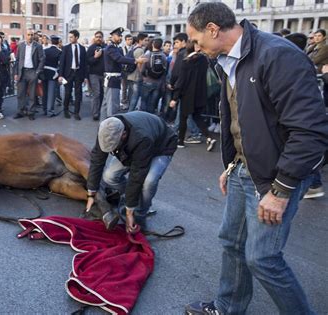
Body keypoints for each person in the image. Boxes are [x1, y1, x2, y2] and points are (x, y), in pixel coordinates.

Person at [183, 3, 328, 315]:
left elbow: (309, 130)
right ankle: (227, 307)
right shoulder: (225, 59)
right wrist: (233, 163)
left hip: (275, 178)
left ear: (212, 29)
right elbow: (243, 120)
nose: (194, 48)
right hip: (243, 170)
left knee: (262, 258)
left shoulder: (278, 55)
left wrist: (281, 190)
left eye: (196, 40)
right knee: (231, 244)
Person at [86, 111, 178, 231]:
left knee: (148, 182)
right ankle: (133, 200)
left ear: (123, 135)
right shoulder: (106, 128)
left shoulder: (142, 138)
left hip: (161, 146)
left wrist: (130, 213)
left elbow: (136, 175)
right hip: (133, 145)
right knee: (109, 176)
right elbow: (97, 160)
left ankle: (140, 213)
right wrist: (91, 193)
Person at [169, 41, 217, 151]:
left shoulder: (186, 61)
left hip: (187, 95)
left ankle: (180, 141)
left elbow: (181, 81)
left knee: (183, 118)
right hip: (200, 94)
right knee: (197, 116)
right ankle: (209, 137)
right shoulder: (204, 60)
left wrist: (175, 98)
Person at [101, 27, 146, 121]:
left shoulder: (117, 48)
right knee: (112, 106)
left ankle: (104, 124)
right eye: (118, 36)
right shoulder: (110, 48)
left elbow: (122, 59)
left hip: (114, 79)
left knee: (106, 104)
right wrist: (136, 60)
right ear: (112, 36)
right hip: (112, 79)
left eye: (121, 36)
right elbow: (119, 59)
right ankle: (110, 126)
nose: (120, 38)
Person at [14, 28, 45, 120]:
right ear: (25, 35)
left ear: (34, 35)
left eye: (32, 35)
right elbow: (17, 60)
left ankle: (31, 112)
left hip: (32, 72)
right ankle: (20, 111)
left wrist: (37, 72)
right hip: (22, 72)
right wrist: (16, 73)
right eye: (28, 34)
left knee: (32, 94)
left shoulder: (38, 46)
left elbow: (42, 59)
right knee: (20, 94)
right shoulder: (20, 46)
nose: (30, 37)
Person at [58, 29, 88, 120]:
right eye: (69, 37)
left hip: (79, 73)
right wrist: (60, 75)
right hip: (68, 74)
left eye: (71, 37)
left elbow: (85, 63)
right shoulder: (66, 48)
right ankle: (66, 110)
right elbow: (62, 62)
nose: (70, 39)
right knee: (67, 93)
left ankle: (76, 113)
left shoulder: (82, 49)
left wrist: (86, 76)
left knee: (78, 94)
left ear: (76, 37)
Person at [140, 38, 167, 114]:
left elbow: (142, 70)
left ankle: (142, 117)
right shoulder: (163, 56)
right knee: (152, 103)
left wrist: (144, 77)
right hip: (158, 83)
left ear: (152, 44)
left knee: (144, 101)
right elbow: (165, 70)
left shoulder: (148, 55)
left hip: (147, 81)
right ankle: (150, 118)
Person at [86, 31, 106, 120]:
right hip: (93, 74)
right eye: (97, 37)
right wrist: (95, 57)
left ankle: (101, 111)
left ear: (102, 38)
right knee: (96, 94)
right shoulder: (91, 48)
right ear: (94, 38)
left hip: (104, 75)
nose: (98, 38)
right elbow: (87, 62)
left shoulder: (105, 48)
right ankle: (95, 113)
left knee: (102, 94)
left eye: (100, 37)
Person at [126, 33, 148, 112]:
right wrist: (143, 76)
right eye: (145, 40)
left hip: (130, 75)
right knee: (135, 96)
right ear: (140, 40)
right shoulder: (140, 50)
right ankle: (130, 113)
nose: (147, 42)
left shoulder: (134, 48)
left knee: (131, 96)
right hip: (136, 77)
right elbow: (140, 65)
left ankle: (129, 111)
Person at [42, 35, 61, 117]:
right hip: (53, 73)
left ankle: (45, 109)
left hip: (44, 72)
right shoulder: (59, 52)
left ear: (51, 41)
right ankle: (50, 111)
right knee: (51, 93)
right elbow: (60, 64)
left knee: (45, 92)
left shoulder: (45, 50)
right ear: (58, 42)